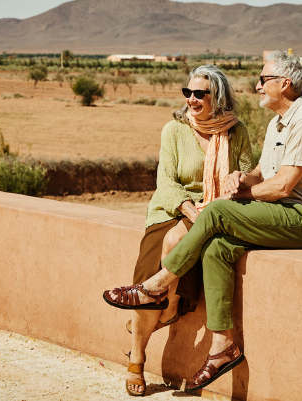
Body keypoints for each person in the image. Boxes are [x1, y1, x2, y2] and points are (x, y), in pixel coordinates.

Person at [103, 50, 302, 392]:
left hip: (301, 217)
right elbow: (260, 172)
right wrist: (242, 179)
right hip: (205, 212)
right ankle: (222, 346)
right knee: (218, 249)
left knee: (216, 212)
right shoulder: (277, 122)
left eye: (263, 79)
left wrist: (234, 196)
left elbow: (285, 184)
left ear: (284, 84)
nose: (257, 85)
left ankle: (157, 286)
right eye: (189, 93)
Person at [105, 64, 255, 396]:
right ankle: (137, 361)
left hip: (214, 211)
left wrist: (236, 185)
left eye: (200, 93)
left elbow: (247, 174)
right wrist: (190, 209)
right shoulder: (173, 129)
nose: (192, 99)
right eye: (188, 92)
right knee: (149, 270)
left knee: (165, 283)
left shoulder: (236, 131)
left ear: (218, 96)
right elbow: (166, 183)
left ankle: (166, 309)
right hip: (171, 210)